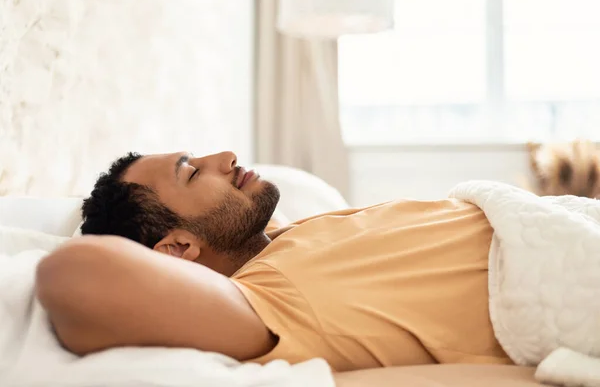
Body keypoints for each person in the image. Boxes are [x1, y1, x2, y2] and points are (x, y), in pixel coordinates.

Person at [35, 151, 513, 373]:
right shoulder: (268, 301)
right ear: (178, 249)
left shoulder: (288, 236)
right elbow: (73, 274)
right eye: (192, 172)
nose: (225, 156)